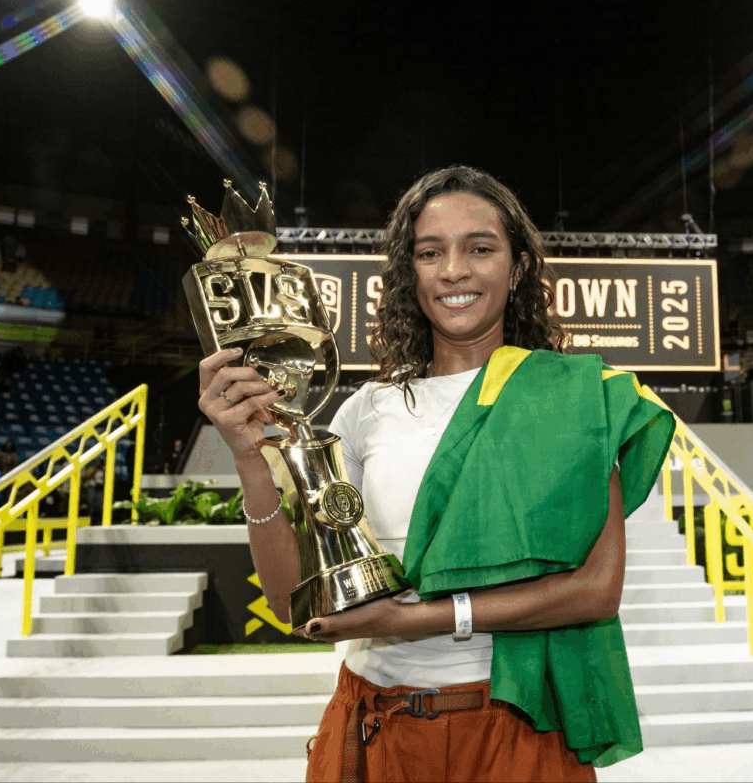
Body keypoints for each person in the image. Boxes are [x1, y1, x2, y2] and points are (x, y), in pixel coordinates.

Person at [196, 166, 669, 782]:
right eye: (429, 252)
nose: (453, 271)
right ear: (409, 273)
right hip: (374, 728)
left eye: (480, 248)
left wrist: (409, 619)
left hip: (519, 728)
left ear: (518, 267)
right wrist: (249, 461)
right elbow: (292, 602)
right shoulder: (365, 411)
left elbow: (596, 590)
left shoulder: (577, 402)